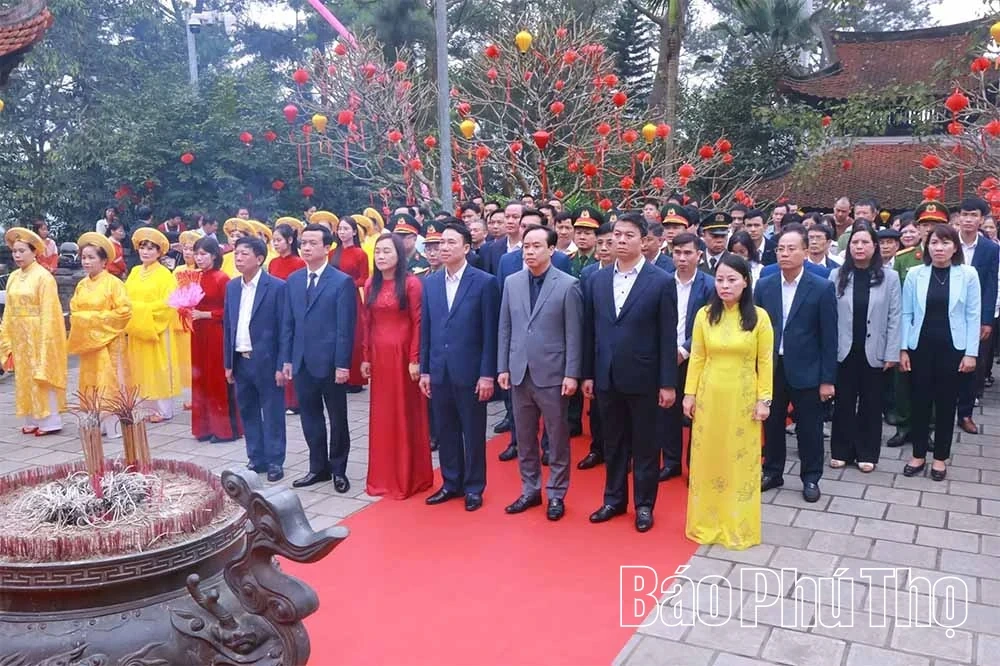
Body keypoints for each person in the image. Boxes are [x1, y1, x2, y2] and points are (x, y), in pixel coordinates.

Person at [582, 213, 677, 533]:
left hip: (645, 376)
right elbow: (589, 332)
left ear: (644, 240)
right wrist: (588, 375)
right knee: (613, 441)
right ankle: (613, 498)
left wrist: (667, 383)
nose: (621, 241)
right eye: (616, 235)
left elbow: (667, 336)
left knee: (646, 444)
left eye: (628, 236)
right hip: (607, 375)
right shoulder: (596, 279)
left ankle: (644, 504)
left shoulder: (661, 281)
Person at [684, 254, 773, 549]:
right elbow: (697, 356)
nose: (725, 285)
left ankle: (738, 523)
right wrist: (690, 393)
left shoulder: (759, 317)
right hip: (710, 397)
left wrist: (765, 400)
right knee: (708, 458)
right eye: (720, 279)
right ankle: (706, 521)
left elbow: (765, 361)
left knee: (739, 461)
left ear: (745, 282)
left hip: (742, 398)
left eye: (732, 280)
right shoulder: (704, 315)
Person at [497, 225, 583, 521]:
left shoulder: (568, 285)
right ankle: (530, 489)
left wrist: (572, 373)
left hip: (553, 373)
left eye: (536, 246)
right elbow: (505, 328)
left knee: (557, 437)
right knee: (524, 436)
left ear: (551, 249)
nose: (529, 251)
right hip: (519, 372)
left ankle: (557, 493)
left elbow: (574, 334)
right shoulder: (512, 282)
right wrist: (502, 367)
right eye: (526, 246)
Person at [419, 223, 500, 512]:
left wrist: (487, 373)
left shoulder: (485, 282)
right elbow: (426, 330)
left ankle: (475, 487)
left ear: (466, 248)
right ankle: (451, 482)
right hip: (440, 370)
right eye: (441, 243)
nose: (443, 248)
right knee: (445, 429)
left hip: (471, 371)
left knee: (473, 431)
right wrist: (426, 370)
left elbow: (491, 333)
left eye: (451, 242)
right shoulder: (430, 283)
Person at [754, 223, 837, 503]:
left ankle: (811, 477)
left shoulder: (822, 287)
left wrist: (827, 379)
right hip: (771, 367)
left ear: (805, 251)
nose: (785, 254)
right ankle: (773, 470)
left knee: (809, 428)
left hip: (808, 369)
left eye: (791, 249)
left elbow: (830, 336)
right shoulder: (764, 285)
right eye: (780, 249)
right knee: (772, 422)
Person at [901, 219, 981, 482]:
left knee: (946, 405)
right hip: (920, 347)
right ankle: (918, 455)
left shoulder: (968, 275)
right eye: (934, 242)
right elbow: (907, 313)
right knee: (920, 402)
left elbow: (973, 315)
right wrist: (903, 349)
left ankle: (939, 459)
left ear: (954, 247)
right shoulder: (915, 274)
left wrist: (971, 353)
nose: (939, 248)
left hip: (953, 349)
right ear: (927, 245)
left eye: (945, 243)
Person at [281, 223, 358, 492]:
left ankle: (339, 469)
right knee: (310, 416)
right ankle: (318, 468)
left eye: (313, 243)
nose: (306, 247)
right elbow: (288, 323)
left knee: (338, 417)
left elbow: (345, 329)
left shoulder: (341, 282)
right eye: (303, 243)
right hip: (302, 361)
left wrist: (342, 365)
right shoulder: (293, 280)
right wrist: (287, 359)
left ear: (327, 248)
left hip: (330, 363)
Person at [361, 233, 433, 499]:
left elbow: (418, 322)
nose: (381, 256)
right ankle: (383, 476)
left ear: (398, 256)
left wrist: (415, 358)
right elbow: (367, 322)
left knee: (405, 413)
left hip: (403, 355)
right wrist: (365, 357)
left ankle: (409, 477)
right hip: (380, 357)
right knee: (383, 416)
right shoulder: (370, 284)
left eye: (387, 252)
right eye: (378, 251)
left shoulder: (412, 284)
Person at [828, 222, 901, 472]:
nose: (859, 247)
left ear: (875, 246)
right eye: (855, 243)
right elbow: (829, 317)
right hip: (844, 350)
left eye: (865, 242)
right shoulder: (837, 275)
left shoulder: (890, 278)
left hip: (875, 351)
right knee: (844, 403)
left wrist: (892, 352)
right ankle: (840, 450)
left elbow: (895, 316)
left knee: (871, 404)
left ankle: (867, 452)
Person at [223, 236, 289, 482]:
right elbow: (228, 326)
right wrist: (228, 363)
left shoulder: (276, 287)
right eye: (236, 254)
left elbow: (284, 328)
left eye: (244, 254)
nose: (238, 258)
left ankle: (275, 460)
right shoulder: (232, 287)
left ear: (259, 259)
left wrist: (282, 364)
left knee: (272, 412)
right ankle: (256, 457)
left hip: (268, 361)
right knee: (248, 410)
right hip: (241, 360)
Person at [0, 228, 68, 435]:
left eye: (22, 251)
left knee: (41, 373)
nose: (17, 255)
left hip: (38, 332)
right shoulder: (12, 277)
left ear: (34, 252)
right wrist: (6, 336)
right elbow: (9, 310)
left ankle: (49, 420)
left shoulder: (43, 277)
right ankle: (31, 416)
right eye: (15, 251)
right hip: (20, 333)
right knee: (24, 374)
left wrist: (47, 339)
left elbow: (50, 311)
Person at [67, 232, 132, 438]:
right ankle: (93, 421)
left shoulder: (113, 283)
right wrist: (85, 321)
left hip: (109, 343)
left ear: (104, 261)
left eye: (91, 257)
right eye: (84, 257)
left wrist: (92, 320)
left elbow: (124, 312)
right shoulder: (81, 285)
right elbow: (74, 311)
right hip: (89, 344)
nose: (86, 262)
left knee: (109, 380)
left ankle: (111, 425)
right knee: (90, 381)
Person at [661, 232, 714, 480]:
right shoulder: (662, 282)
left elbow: (711, 324)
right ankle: (671, 462)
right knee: (667, 410)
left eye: (687, 253)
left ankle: (695, 466)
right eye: (677, 253)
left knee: (696, 412)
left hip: (696, 358)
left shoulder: (710, 285)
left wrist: (684, 350)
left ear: (698, 255)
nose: (682, 258)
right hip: (665, 355)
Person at [189, 237, 243, 443]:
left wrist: (206, 315)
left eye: (203, 254)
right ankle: (204, 428)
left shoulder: (222, 278)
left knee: (216, 377)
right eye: (197, 254)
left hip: (216, 333)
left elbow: (231, 310)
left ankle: (225, 429)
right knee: (200, 377)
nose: (199, 258)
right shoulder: (195, 278)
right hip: (198, 332)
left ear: (214, 256)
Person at [125, 228, 181, 422]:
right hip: (137, 327)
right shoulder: (134, 272)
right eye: (142, 247)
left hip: (157, 328)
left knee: (158, 366)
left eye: (151, 248)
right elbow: (125, 298)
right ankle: (146, 407)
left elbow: (169, 303)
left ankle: (163, 410)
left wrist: (140, 309)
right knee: (139, 366)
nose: (145, 252)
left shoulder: (165, 275)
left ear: (159, 252)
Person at [955, 197, 998, 435]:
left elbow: (992, 285)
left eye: (973, 215)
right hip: (947, 311)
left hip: (975, 314)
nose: (968, 220)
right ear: (958, 217)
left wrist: (987, 319)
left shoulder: (990, 248)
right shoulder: (948, 241)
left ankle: (965, 413)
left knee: (974, 364)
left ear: (982, 219)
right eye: (964, 214)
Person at [269, 220, 306, 414]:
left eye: (278, 240)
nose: (275, 244)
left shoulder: (299, 263)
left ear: (290, 240)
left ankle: (294, 400)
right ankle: (280, 397)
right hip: (275, 311)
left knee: (290, 352)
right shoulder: (273, 262)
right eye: (273, 240)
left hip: (291, 310)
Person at [331, 216, 371, 391]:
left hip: (352, 296)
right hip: (333, 298)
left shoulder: (360, 254)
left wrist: (346, 284)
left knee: (354, 334)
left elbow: (364, 278)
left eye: (346, 229)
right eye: (340, 229)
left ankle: (355, 379)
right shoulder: (332, 253)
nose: (342, 232)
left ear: (354, 232)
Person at [173, 230, 201, 408]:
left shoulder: (202, 271)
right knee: (184, 359)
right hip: (181, 318)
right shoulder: (178, 270)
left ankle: (199, 395)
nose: (188, 252)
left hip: (198, 318)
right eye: (185, 248)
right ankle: (189, 395)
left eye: (192, 249)